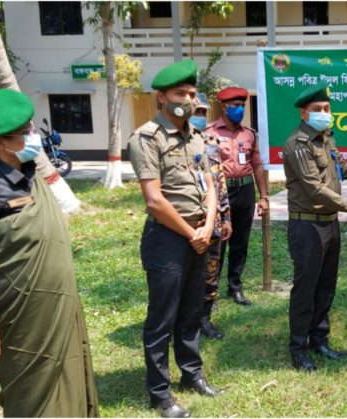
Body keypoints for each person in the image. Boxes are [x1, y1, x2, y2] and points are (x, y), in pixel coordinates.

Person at [0, 88, 99, 417]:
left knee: (69, 377)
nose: (33, 136)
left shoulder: (30, 175)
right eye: (25, 132)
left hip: (57, 307)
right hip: (24, 319)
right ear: (1, 142)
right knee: (33, 394)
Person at [127, 59, 222, 418]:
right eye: (180, 93)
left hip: (200, 232)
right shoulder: (146, 137)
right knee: (162, 318)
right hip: (168, 238)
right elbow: (154, 199)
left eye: (193, 93)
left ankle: (191, 375)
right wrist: (192, 234)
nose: (188, 98)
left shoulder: (196, 136)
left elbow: (210, 185)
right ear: (161, 97)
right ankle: (159, 393)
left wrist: (208, 225)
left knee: (191, 312)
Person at [282, 81, 347, 371]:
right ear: (304, 114)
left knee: (326, 287)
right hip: (307, 226)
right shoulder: (298, 144)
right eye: (317, 109)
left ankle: (319, 340)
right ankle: (298, 348)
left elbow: (339, 172)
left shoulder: (327, 138)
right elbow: (315, 189)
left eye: (327, 108)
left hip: (329, 224)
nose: (324, 112)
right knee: (305, 290)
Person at [204, 87, 269, 306]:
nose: (240, 109)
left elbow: (257, 165)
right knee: (218, 242)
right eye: (236, 106)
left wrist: (264, 196)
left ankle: (235, 287)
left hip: (245, 191)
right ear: (224, 107)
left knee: (240, 243)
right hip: (221, 194)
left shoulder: (248, 133)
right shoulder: (209, 132)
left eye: (242, 106)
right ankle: (210, 290)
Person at [192, 96, 232, 340]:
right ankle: (183, 321)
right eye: (195, 110)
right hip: (187, 224)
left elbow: (220, 181)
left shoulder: (210, 141)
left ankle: (204, 319)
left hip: (214, 223)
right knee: (184, 276)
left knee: (210, 273)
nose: (198, 114)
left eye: (201, 111)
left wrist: (226, 216)